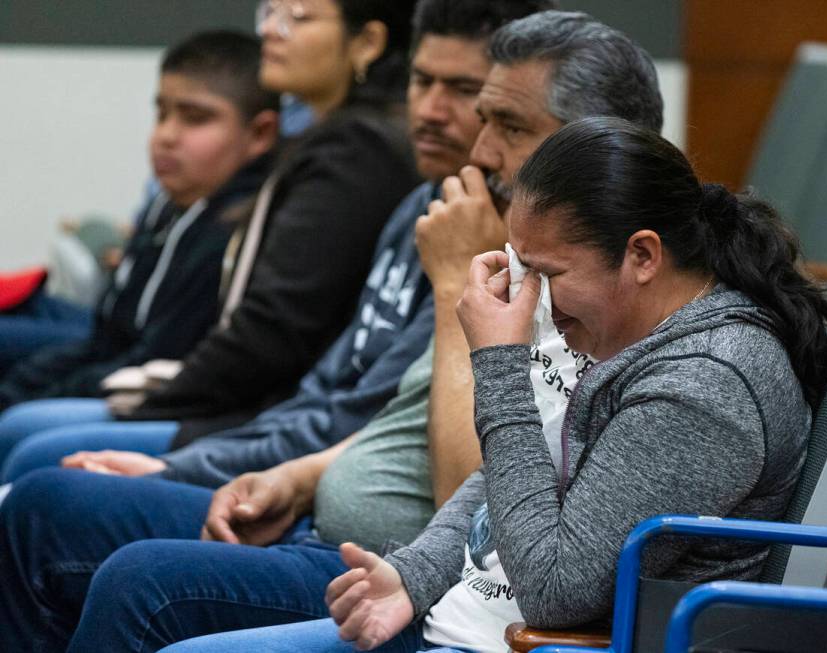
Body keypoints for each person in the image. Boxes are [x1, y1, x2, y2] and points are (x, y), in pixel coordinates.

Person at [162, 116, 827, 653]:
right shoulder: (630, 323)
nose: (535, 301)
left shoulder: (701, 387)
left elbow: (553, 591)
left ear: (641, 255)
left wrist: (497, 364)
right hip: (469, 615)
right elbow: (512, 477)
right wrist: (416, 571)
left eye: (548, 274)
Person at [0, 2, 555, 650]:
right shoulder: (418, 200)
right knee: (44, 496)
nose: (434, 112)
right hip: (306, 485)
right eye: (422, 81)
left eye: (470, 98)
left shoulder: (467, 230)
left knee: (90, 519)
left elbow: (303, 370)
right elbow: (329, 391)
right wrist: (210, 469)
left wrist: (176, 462)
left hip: (384, 550)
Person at [0, 0, 421, 477]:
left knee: (30, 441)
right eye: (269, 13)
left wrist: (156, 401)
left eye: (297, 17)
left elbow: (272, 331)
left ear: (368, 41)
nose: (271, 31)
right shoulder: (327, 140)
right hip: (247, 402)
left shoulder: (356, 153)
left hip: (261, 414)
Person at [0, 30, 281, 460]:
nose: (166, 135)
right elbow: (105, 337)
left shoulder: (229, 233)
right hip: (115, 361)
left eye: (195, 118)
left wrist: (31, 397)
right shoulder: (169, 204)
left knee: (21, 429)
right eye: (162, 113)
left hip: (157, 396)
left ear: (260, 134)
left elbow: (147, 362)